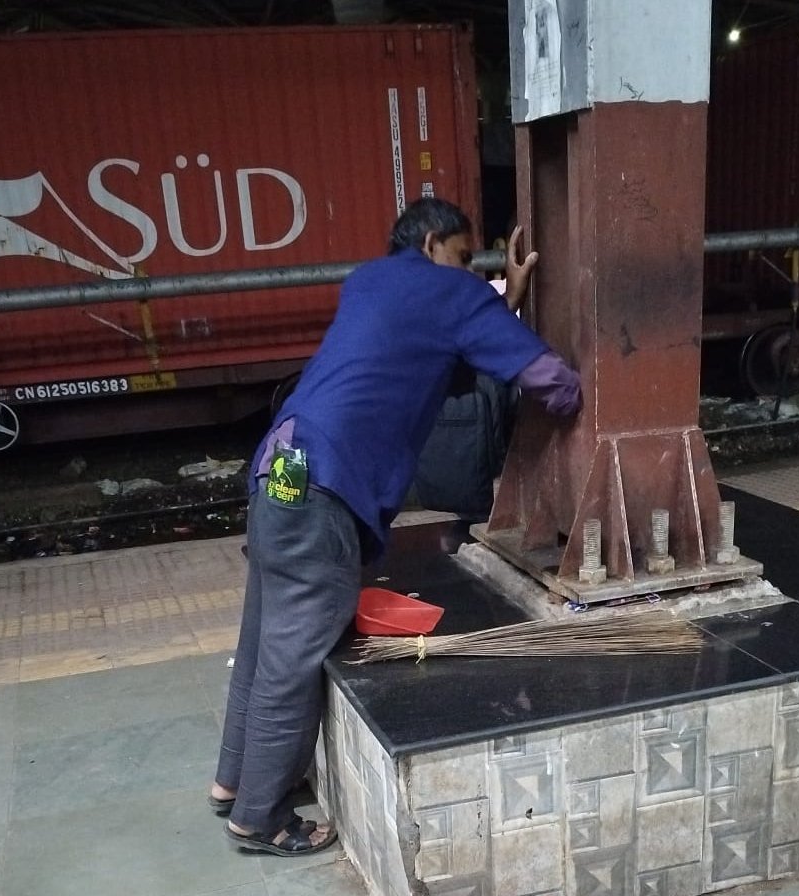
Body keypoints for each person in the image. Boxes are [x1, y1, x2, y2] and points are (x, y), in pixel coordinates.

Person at [208, 197, 582, 856]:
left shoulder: (370, 281)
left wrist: (500, 304)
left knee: (266, 634)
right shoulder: (452, 291)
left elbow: (445, 364)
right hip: (325, 486)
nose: (473, 272)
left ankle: (232, 784)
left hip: (282, 467)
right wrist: (581, 398)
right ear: (437, 242)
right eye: (468, 258)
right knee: (295, 655)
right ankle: (260, 818)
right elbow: (544, 376)